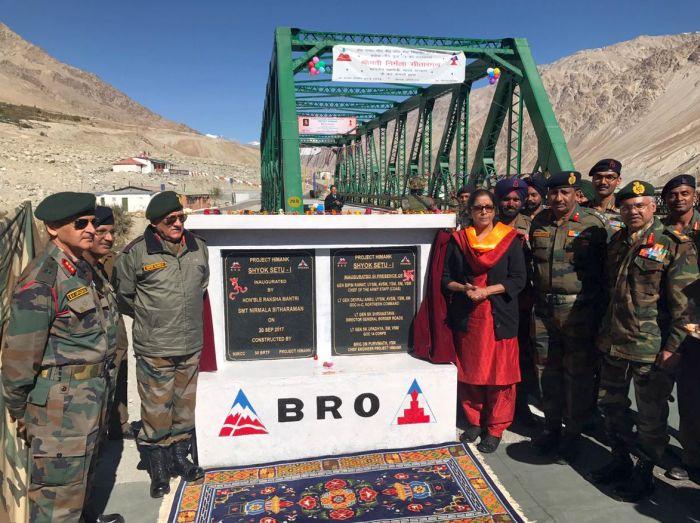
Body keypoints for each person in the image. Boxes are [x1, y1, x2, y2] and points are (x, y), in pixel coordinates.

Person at [1, 193, 123, 523]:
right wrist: (21, 408)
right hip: (59, 409)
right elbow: (19, 357)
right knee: (57, 496)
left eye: (92, 223)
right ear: (53, 228)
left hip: (89, 398)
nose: (90, 230)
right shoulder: (42, 280)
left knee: (81, 479)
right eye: (80, 224)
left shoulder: (82, 268)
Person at [591, 180, 698, 501]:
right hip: (614, 342)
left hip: (651, 348)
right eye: (627, 206)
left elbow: (687, 307)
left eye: (640, 205)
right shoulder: (618, 242)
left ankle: (645, 470)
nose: (633, 211)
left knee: (651, 417)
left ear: (653, 207)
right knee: (611, 405)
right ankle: (620, 459)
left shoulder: (674, 244)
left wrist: (673, 349)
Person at [113, 191, 209, 498]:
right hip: (155, 347)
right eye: (171, 220)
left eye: (181, 218)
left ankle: (179, 458)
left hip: (190, 343)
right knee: (156, 411)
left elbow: (202, 286)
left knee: (184, 406)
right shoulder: (136, 254)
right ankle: (158, 467)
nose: (178, 223)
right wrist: (152, 320)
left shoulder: (198, 248)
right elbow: (125, 297)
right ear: (155, 224)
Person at [529, 171, 608, 462]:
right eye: (554, 193)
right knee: (546, 369)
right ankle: (552, 428)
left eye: (565, 192)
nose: (559, 198)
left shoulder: (592, 225)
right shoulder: (540, 222)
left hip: (578, 311)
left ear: (576, 194)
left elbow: (604, 274)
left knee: (578, 374)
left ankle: (573, 434)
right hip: (543, 309)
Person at [443, 189, 527, 453]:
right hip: (470, 316)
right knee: (471, 372)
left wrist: (486, 292)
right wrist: (463, 288)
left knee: (500, 375)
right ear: (469, 210)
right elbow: (446, 278)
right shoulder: (459, 241)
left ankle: (495, 428)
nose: (483, 212)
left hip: (499, 316)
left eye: (489, 207)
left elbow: (518, 279)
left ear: (495, 210)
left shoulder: (510, 240)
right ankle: (475, 422)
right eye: (478, 207)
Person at [660, 174, 700, 482]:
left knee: (693, 397)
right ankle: (690, 458)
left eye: (685, 193)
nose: (679, 199)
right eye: (673, 194)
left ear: (695, 196)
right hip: (664, 324)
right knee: (678, 396)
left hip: (695, 328)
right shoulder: (658, 232)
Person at [83, 206, 132, 441]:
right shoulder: (77, 266)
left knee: (120, 365)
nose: (109, 238)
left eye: (111, 231)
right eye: (102, 231)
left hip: (115, 326)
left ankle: (119, 420)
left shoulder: (112, 261)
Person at [494, 177, 537, 425]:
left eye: (516, 199)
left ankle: (521, 405)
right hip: (497, 301)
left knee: (523, 356)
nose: (511, 203)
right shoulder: (488, 225)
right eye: (506, 198)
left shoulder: (533, 226)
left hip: (523, 302)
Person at [589, 158, 624, 233]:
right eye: (598, 177)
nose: (603, 182)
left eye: (609, 177)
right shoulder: (582, 209)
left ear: (618, 181)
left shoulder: (625, 211)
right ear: (592, 180)